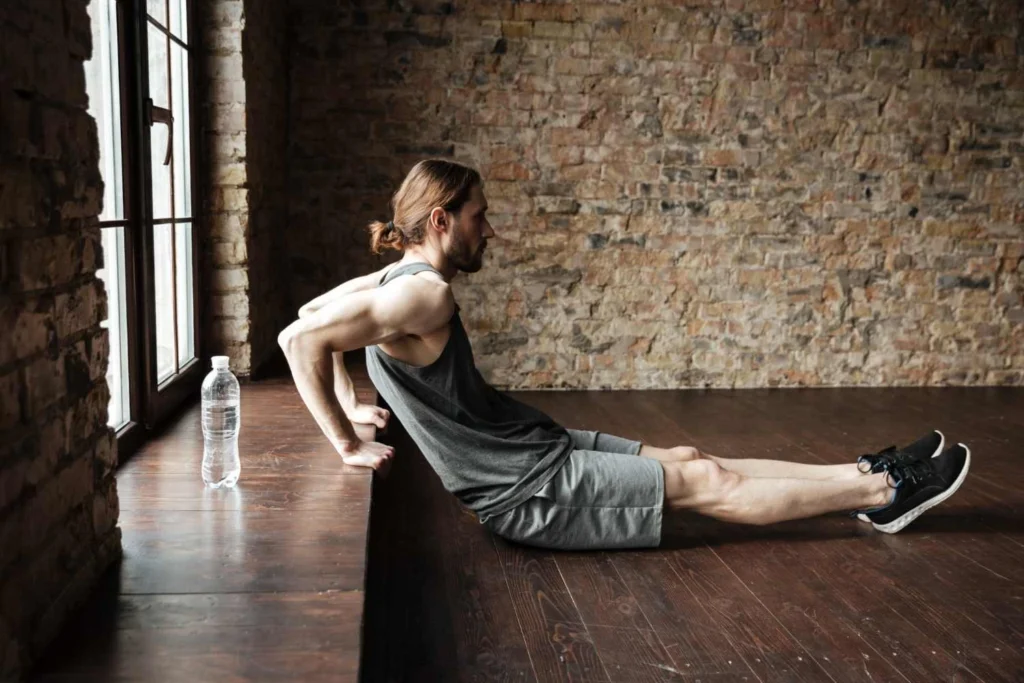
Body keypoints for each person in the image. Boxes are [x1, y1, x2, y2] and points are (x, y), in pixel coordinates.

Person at [277, 159, 971, 551]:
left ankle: (865, 471)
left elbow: (310, 320)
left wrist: (350, 402)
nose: (490, 230)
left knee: (693, 457)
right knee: (708, 484)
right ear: (441, 220)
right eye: (479, 216)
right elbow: (300, 340)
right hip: (527, 492)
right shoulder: (422, 293)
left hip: (531, 448)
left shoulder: (392, 280)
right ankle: (886, 494)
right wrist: (346, 441)